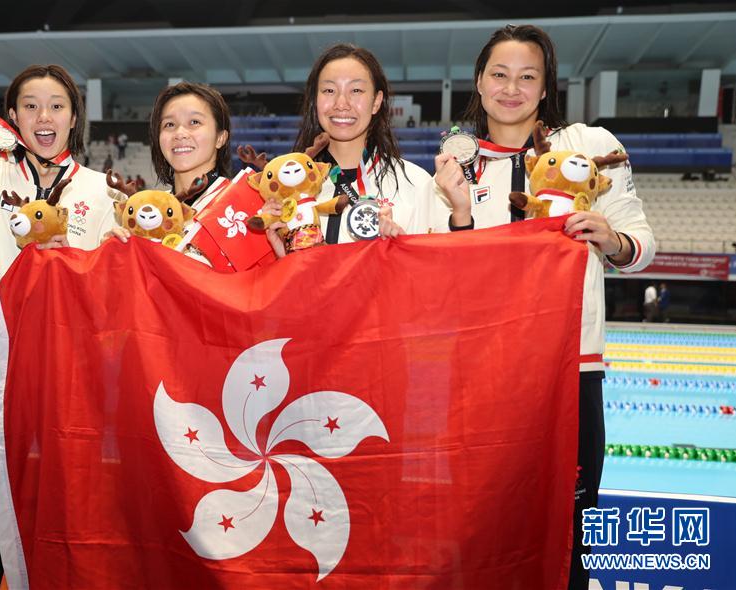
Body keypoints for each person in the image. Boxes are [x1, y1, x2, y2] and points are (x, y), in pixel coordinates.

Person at [434, 25, 655, 589]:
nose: (512, 89)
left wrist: (611, 239)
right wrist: (458, 212)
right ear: (479, 82)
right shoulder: (454, 168)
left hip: (571, 369)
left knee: (570, 528)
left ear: (546, 85)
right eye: (500, 75)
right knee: (480, 524)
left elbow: (641, 244)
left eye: (527, 76)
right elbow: (446, 279)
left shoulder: (588, 147)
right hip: (482, 374)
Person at [0, 64, 117, 590]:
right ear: (13, 115)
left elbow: (110, 291)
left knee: (62, 526)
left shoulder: (98, 189)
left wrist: (74, 263)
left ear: (73, 117)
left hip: (66, 384)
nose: (44, 116)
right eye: (30, 106)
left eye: (56, 106)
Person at [261, 43, 440, 255]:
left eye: (356, 90)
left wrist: (399, 252)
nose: (341, 103)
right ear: (315, 100)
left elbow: (431, 269)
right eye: (329, 90)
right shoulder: (287, 187)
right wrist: (282, 258)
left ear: (376, 102)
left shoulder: (415, 184)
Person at [107, 82, 233, 252]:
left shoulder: (240, 205)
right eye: (169, 124)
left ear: (220, 138)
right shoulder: (145, 213)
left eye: (194, 122)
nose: (179, 133)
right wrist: (117, 253)